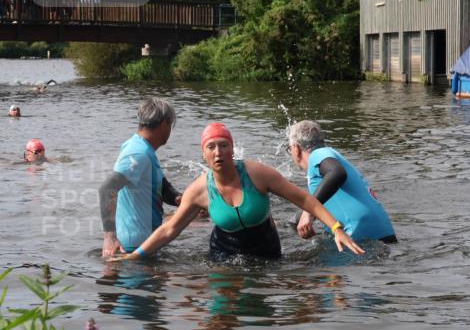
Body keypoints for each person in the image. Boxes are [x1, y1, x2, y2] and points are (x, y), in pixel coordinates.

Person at [111, 122, 365, 262]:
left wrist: (336, 229)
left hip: (267, 250)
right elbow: (170, 229)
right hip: (224, 255)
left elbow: (304, 199)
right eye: (211, 147)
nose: (218, 152)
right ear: (204, 154)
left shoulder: (258, 174)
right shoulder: (199, 190)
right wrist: (136, 255)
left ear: (233, 150)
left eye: (224, 145)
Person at [288, 120, 396, 243]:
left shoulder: (318, 154)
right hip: (383, 235)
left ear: (296, 148)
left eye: (289, 148)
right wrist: (294, 221)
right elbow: (324, 200)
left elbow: (337, 173)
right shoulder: (331, 157)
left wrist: (309, 212)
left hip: (359, 238)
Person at [100, 98, 182, 258]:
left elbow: (161, 185)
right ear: (165, 123)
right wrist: (109, 237)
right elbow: (107, 188)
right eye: (171, 125)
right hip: (134, 247)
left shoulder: (145, 149)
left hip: (147, 242)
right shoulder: (138, 153)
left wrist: (180, 199)